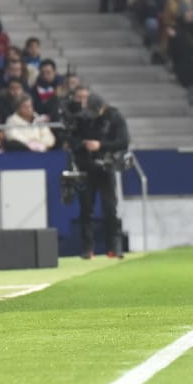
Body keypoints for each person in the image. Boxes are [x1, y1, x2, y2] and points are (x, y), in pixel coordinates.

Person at [68, 87, 130, 258]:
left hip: (106, 167)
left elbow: (123, 142)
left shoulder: (115, 117)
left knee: (110, 208)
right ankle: (87, 248)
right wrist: (82, 144)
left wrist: (100, 146)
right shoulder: (82, 119)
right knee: (86, 209)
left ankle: (114, 246)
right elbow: (72, 140)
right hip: (86, 167)